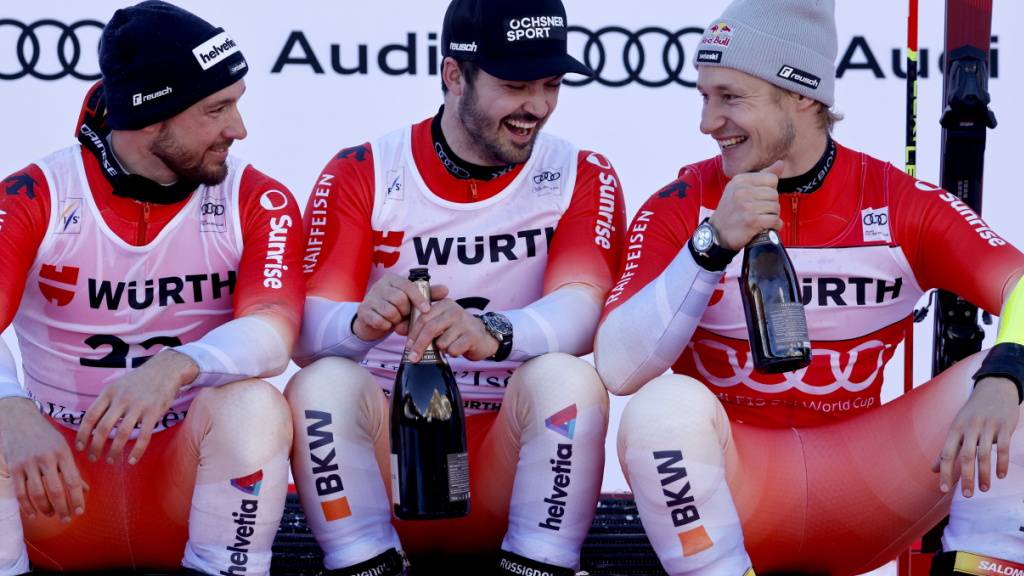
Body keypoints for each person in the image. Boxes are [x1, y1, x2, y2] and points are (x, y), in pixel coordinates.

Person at [596, 0, 1024, 574]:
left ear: (801, 94)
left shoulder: (895, 201)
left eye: (730, 97)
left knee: (1014, 381)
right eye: (705, 97)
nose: (708, 122)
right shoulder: (684, 205)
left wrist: (1005, 376)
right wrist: (711, 244)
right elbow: (618, 368)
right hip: (738, 498)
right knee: (658, 411)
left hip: (870, 494)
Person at [286, 0, 626, 574]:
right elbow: (303, 337)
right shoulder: (364, 169)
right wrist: (359, 321)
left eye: (551, 85)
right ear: (453, 74)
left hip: (508, 461)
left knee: (567, 378)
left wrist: (493, 331)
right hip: (393, 460)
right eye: (515, 85)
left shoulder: (581, 172)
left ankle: (539, 563)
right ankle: (363, 562)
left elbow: (585, 309)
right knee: (320, 383)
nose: (537, 107)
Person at [0, 2, 304, 575]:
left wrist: (178, 365)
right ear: (150, 116)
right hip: (56, 495)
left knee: (254, 403)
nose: (239, 128)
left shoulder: (256, 198)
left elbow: (273, 331)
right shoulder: (34, 196)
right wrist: (10, 407)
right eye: (217, 109)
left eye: (236, 103)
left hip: (181, 491)